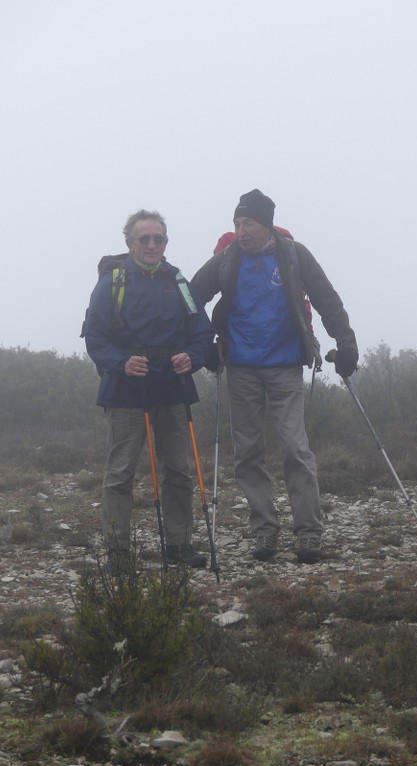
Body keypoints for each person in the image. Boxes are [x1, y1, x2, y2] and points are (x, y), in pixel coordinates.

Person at [191, 189, 359, 564]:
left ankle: (309, 533)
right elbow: (190, 296)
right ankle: (264, 530)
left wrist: (346, 345)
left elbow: (327, 300)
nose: (240, 230)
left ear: (266, 224)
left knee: (295, 448)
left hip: (285, 364)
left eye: (247, 223)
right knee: (247, 452)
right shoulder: (227, 258)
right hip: (241, 367)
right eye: (236, 223)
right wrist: (203, 343)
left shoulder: (294, 256)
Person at [84, 209, 214, 572]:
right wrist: (121, 363)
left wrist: (193, 357)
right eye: (145, 239)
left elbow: (202, 335)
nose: (152, 244)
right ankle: (117, 552)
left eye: (159, 238)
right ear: (130, 243)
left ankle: (179, 544)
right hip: (126, 389)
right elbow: (94, 337)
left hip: (173, 386)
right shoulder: (112, 282)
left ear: (165, 242)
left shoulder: (180, 282)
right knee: (120, 472)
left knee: (179, 470)